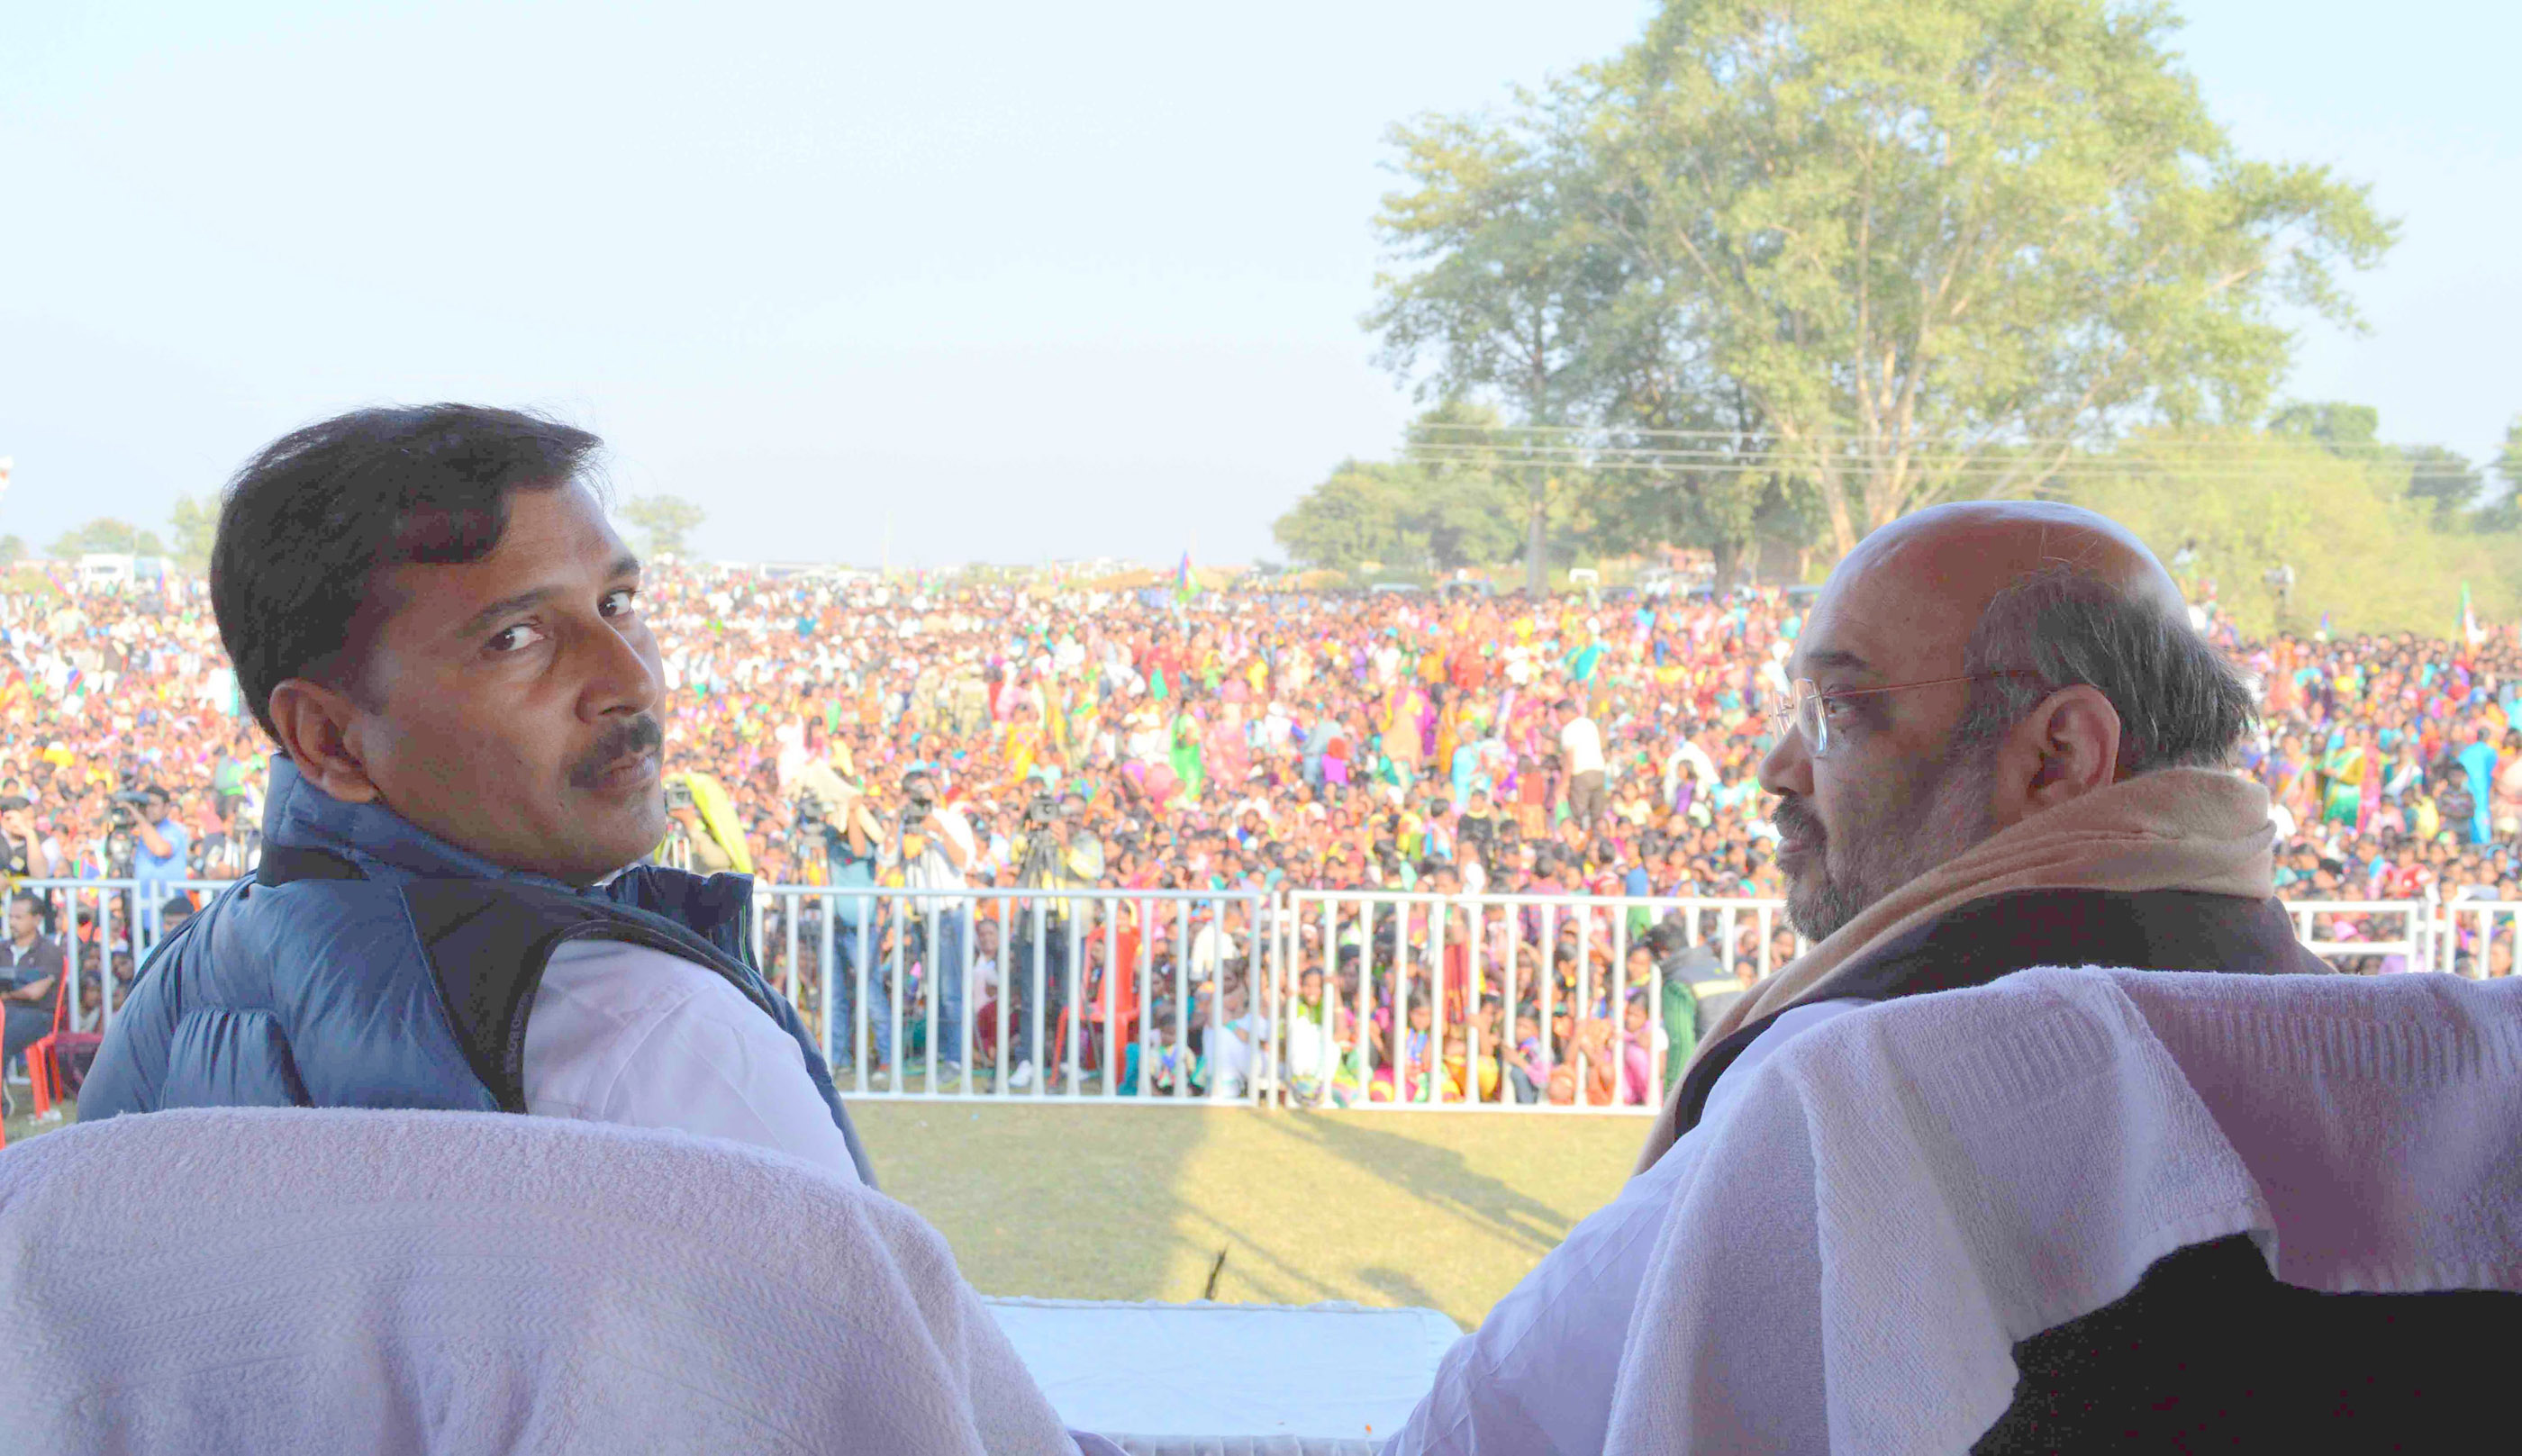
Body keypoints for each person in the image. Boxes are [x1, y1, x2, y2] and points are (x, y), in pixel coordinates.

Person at [1386, 500, 2331, 1455]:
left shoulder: (1857, 1078)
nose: (1775, 766)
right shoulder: (2337, 1026)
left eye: (1835, 710)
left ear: (2059, 758)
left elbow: (1483, 1429)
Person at [78, 405, 873, 1187]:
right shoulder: (658, 1036)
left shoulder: (177, 992)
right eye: (515, 637)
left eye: (616, 603)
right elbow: (871, 1320)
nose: (632, 680)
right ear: (328, 738)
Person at [4, 890, 66, 1113]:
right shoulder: (3, 948)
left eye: (18, 917)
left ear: (37, 919)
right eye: (10, 916)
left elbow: (35, 992)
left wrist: (6, 995)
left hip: (38, 1015)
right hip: (7, 1011)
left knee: (2, 1037)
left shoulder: (49, 950)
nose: (12, 922)